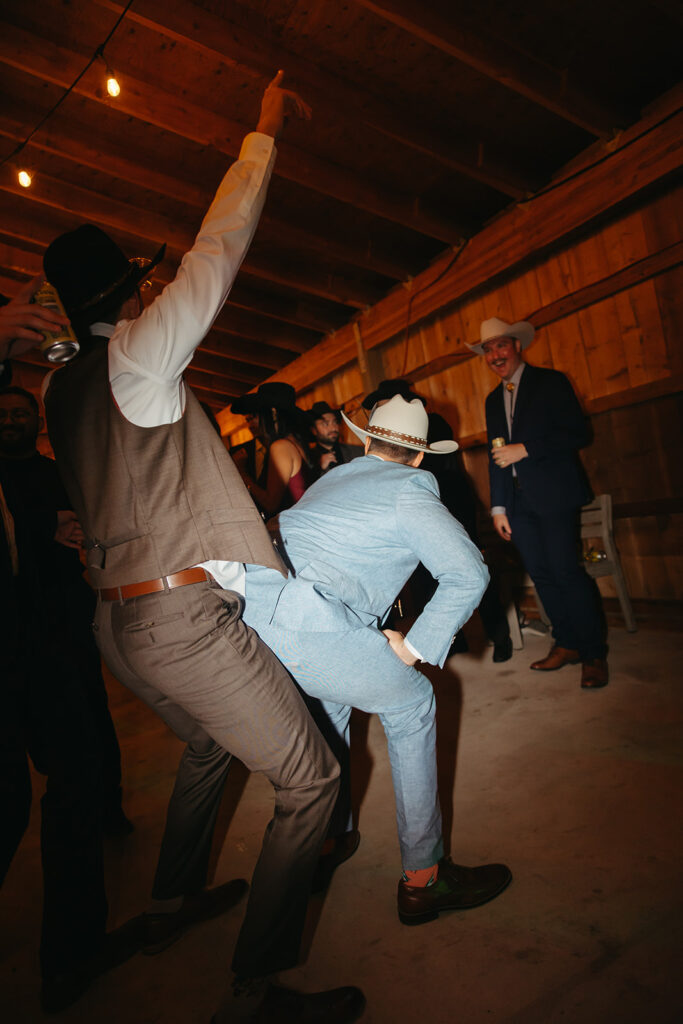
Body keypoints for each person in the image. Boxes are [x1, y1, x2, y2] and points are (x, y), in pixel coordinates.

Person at [40, 73, 364, 1023]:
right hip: (181, 616)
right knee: (312, 779)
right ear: (133, 290)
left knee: (205, 752)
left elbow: (89, 504)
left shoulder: (63, 398)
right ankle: (255, 989)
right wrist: (262, 131)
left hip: (121, 622)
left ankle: (171, 902)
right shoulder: (138, 356)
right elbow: (219, 251)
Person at [243, 395, 512, 925]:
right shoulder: (411, 488)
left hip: (260, 623)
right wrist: (412, 648)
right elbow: (469, 574)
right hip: (315, 624)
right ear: (420, 457)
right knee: (412, 704)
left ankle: (329, 838)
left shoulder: (335, 477)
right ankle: (424, 879)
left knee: (333, 711)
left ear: (365, 441)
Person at [0, 385, 132, 837]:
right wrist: (44, 527)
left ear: (36, 422)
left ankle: (108, 809)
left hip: (66, 610)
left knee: (91, 709)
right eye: (4, 413)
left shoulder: (58, 473)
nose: (12, 420)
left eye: (21, 413)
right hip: (15, 621)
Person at [467, 317, 608, 688]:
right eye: (488, 349)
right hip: (517, 504)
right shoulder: (492, 401)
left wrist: (526, 449)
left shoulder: (551, 382)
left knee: (566, 572)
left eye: (501, 346)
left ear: (516, 346)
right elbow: (497, 455)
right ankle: (567, 644)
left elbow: (578, 432)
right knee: (542, 575)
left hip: (555, 494)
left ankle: (593, 653)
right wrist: (498, 507)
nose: (495, 355)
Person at [237, 382, 315, 516]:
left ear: (272, 413)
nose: (257, 422)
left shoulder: (280, 447)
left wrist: (242, 473)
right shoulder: (296, 441)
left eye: (258, 415)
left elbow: (270, 504)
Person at [307, 400, 363, 475]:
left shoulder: (358, 452)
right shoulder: (308, 460)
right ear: (314, 430)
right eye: (325, 424)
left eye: (335, 422)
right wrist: (320, 468)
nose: (333, 428)